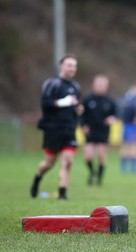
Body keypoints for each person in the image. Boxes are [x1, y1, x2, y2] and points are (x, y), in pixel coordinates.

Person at [31, 54, 82, 200]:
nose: (72, 68)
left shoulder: (75, 87)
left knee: (68, 161)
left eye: (74, 66)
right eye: (69, 65)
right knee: (49, 163)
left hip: (69, 130)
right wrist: (64, 102)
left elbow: (77, 107)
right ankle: (37, 178)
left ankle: (62, 193)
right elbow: (45, 104)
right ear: (61, 66)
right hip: (53, 129)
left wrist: (78, 110)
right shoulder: (52, 84)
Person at [81, 74, 117, 185]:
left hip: (103, 132)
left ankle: (99, 178)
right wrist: (83, 125)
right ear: (94, 85)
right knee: (88, 157)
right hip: (90, 131)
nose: (100, 87)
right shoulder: (87, 99)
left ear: (106, 87)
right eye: (98, 85)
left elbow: (115, 114)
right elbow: (81, 115)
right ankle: (92, 172)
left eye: (103, 85)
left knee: (101, 157)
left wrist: (112, 118)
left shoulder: (110, 100)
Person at [119, 85, 136, 174]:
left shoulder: (126, 98)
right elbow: (135, 114)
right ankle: (132, 168)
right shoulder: (134, 100)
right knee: (133, 145)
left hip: (126, 125)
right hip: (131, 126)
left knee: (126, 145)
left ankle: (124, 168)